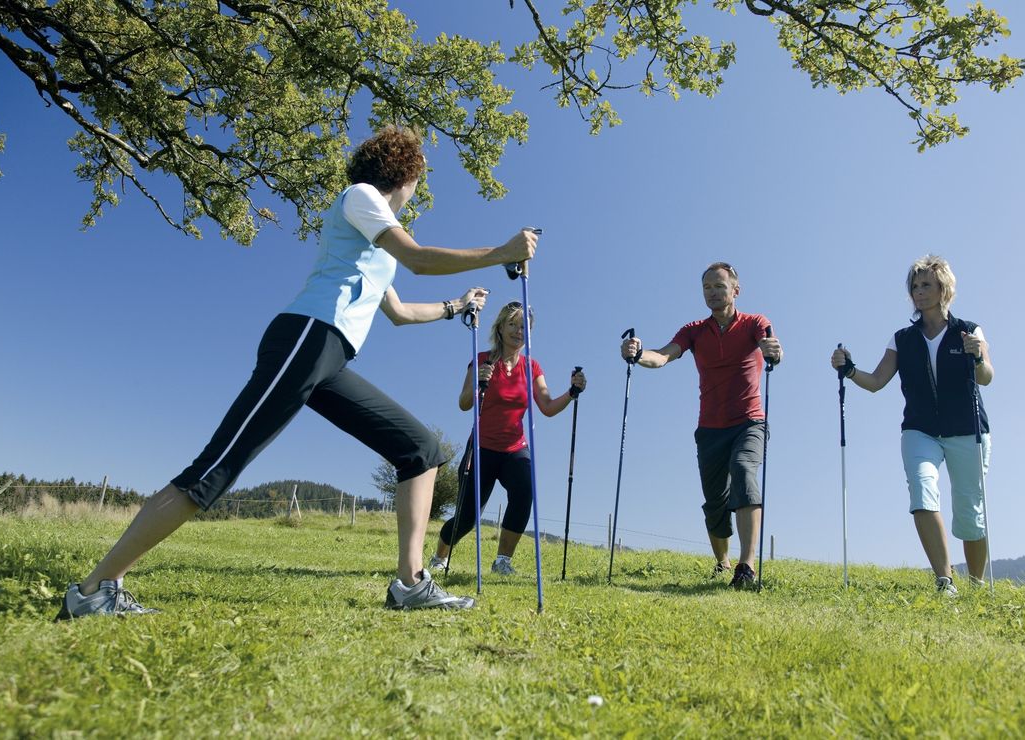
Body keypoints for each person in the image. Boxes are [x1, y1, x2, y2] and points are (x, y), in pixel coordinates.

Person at [56, 126, 539, 618]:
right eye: (418, 182)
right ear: (406, 175)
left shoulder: (376, 250)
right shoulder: (362, 197)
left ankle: (410, 583)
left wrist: (455, 306)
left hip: (331, 358)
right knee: (216, 468)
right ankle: (95, 589)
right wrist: (501, 251)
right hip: (307, 338)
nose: (416, 193)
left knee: (421, 451)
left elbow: (397, 312)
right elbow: (417, 258)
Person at [830, 255, 993, 596]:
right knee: (922, 492)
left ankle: (977, 587)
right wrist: (848, 370)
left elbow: (986, 377)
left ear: (943, 289)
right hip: (920, 430)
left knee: (969, 512)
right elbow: (875, 381)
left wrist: (977, 355)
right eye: (915, 286)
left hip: (967, 429)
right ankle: (944, 581)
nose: (919, 292)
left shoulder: (969, 330)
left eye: (926, 285)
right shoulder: (902, 338)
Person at [620, 263, 782, 589]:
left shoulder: (754, 323)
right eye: (707, 287)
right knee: (715, 502)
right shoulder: (694, 330)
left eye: (719, 286)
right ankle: (722, 562)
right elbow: (664, 356)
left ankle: (746, 567)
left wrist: (773, 351)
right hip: (710, 428)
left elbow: (771, 345)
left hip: (750, 421)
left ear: (735, 290)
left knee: (743, 470)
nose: (712, 292)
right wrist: (638, 355)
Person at [429, 301, 587, 575]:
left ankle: (502, 561)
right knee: (466, 518)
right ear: (500, 328)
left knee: (524, 495)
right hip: (481, 447)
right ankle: (440, 555)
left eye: (524, 326)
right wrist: (479, 381)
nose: (518, 330)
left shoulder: (532, 367)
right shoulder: (481, 360)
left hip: (515, 448)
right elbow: (464, 403)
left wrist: (572, 393)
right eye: (512, 324)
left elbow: (547, 407)